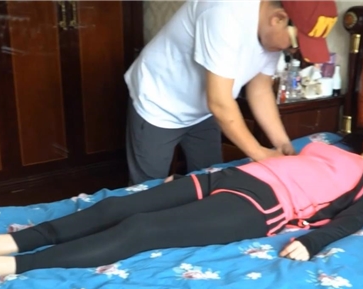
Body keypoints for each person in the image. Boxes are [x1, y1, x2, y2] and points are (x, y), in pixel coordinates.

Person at [0, 119, 363, 280]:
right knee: (118, 206)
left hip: (263, 208)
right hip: (234, 177)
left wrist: (315, 242)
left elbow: (358, 217)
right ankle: (1, 243)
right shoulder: (333, 144)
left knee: (142, 231)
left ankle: (6, 268)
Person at [123, 0, 339, 184]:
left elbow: (260, 89)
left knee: (210, 180)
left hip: (203, 109)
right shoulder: (224, 14)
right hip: (159, 102)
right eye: (295, 44)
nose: (293, 51)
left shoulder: (269, 29)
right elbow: (219, 102)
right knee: (148, 190)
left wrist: (283, 145)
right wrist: (261, 154)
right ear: (278, 19)